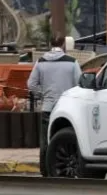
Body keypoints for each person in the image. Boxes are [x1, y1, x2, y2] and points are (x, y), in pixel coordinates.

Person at [28, 35, 82, 177]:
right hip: (67, 109)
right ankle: (68, 166)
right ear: (64, 44)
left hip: (48, 107)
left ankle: (45, 171)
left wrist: (43, 94)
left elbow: (31, 84)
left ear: (49, 43)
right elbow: (80, 83)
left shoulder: (40, 62)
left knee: (45, 140)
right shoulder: (72, 62)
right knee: (67, 138)